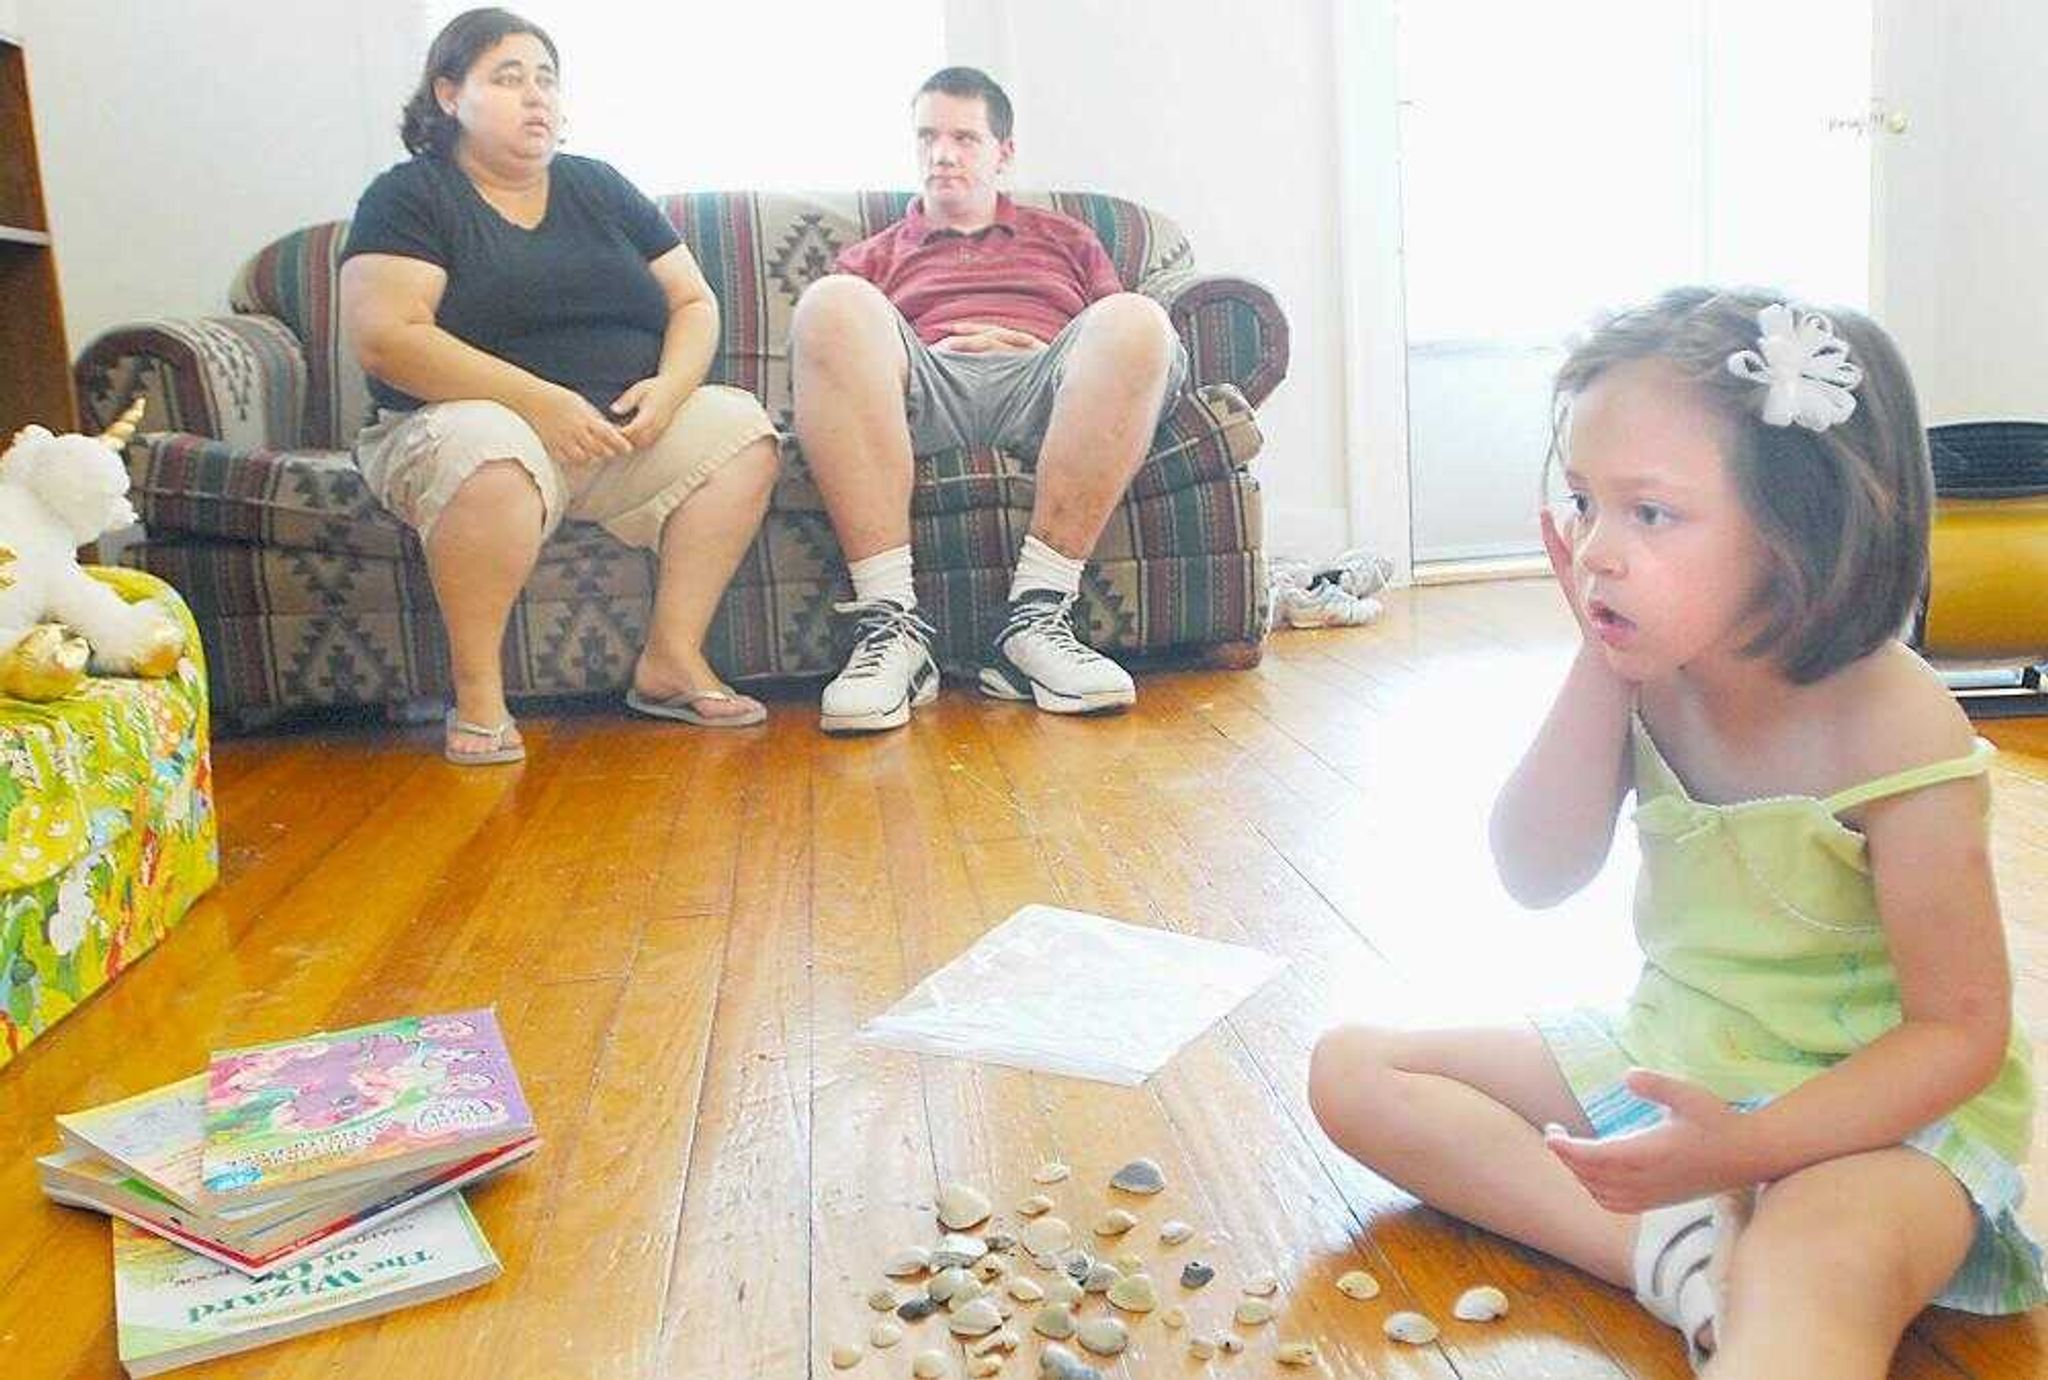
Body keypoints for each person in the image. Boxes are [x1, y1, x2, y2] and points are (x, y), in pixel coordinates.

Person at [1307, 288, 2043, 1375]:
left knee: (1805, 1285)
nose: (1595, 548)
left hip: (1869, 1114)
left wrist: (1749, 1148)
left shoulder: (1893, 721)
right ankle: (1674, 1255)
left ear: (1797, 527)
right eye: (1580, 502)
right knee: (1352, 1072)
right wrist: (1604, 670)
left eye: (1648, 513)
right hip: (1671, 1053)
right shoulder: (1652, 672)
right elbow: (1534, 871)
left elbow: (1956, 1034)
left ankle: (1736, 1274)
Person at [339, 7, 780, 764]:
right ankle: (478, 699)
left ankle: (672, 659)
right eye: (508, 78)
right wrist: (539, 402)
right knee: (493, 449)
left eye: (546, 78)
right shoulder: (411, 195)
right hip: (467, 435)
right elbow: (388, 338)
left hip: (617, 440)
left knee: (743, 429)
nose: (536, 96)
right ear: (449, 96)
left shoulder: (599, 187)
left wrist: (671, 391)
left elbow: (693, 301)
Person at [790, 66, 1188, 734]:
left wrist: (1041, 343)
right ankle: (893, 632)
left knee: (1138, 317)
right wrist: (935, 346)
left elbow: (1116, 346)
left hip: (1042, 388)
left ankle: (1034, 623)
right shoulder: (875, 253)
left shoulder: (1068, 238)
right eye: (927, 137)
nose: (942, 154)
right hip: (927, 390)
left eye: (964, 138)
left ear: (1003, 153)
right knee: (831, 304)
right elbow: (845, 370)